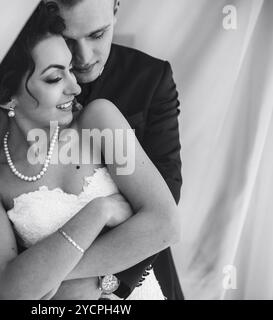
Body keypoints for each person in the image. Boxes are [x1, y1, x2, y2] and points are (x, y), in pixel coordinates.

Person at [0, 2, 180, 300]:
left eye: (97, 34)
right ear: (5, 96)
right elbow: (7, 292)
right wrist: (100, 210)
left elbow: (164, 219)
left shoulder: (106, 114)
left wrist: (65, 278)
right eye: (54, 77)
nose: (76, 85)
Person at [46, 0, 184, 300]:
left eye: (97, 35)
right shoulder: (21, 86)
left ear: (116, 10)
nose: (82, 57)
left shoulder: (151, 78)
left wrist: (104, 280)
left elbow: (165, 197)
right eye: (68, 40)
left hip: (136, 274)